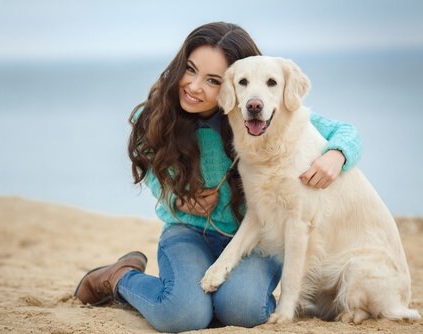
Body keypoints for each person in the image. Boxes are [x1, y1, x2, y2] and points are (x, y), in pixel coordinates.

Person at [74, 22, 362, 332]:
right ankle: (118, 278)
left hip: (254, 239)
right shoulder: (159, 115)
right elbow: (151, 168)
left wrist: (338, 155)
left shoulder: (263, 113)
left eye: (212, 80)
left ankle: (209, 300)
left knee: (243, 309)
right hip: (188, 233)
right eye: (190, 69)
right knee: (181, 315)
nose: (195, 87)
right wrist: (178, 199)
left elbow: (345, 132)